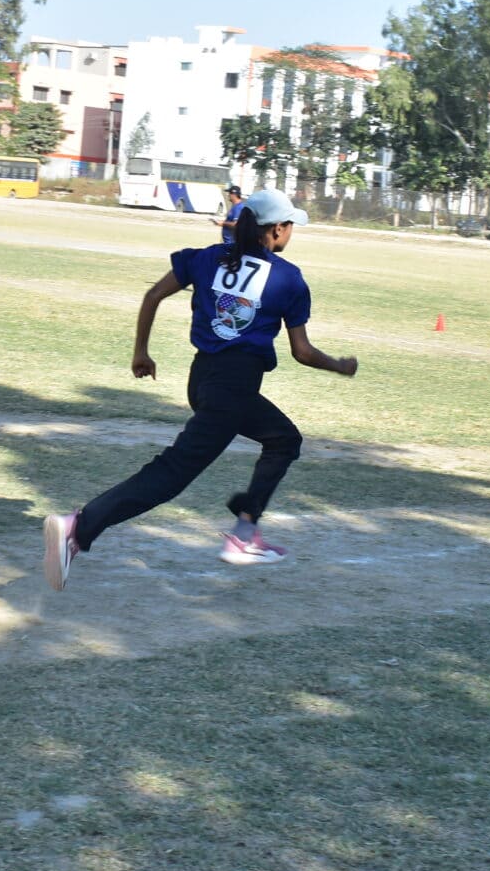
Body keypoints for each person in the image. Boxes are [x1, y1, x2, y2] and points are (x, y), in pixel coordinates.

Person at [40, 188, 359, 590]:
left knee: (283, 439)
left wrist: (142, 352)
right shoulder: (288, 278)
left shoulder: (208, 257)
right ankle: (78, 529)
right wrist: (341, 366)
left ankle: (245, 531)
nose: (291, 233)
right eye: (291, 225)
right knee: (171, 473)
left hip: (203, 380)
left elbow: (154, 294)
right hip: (234, 389)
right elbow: (302, 351)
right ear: (277, 229)